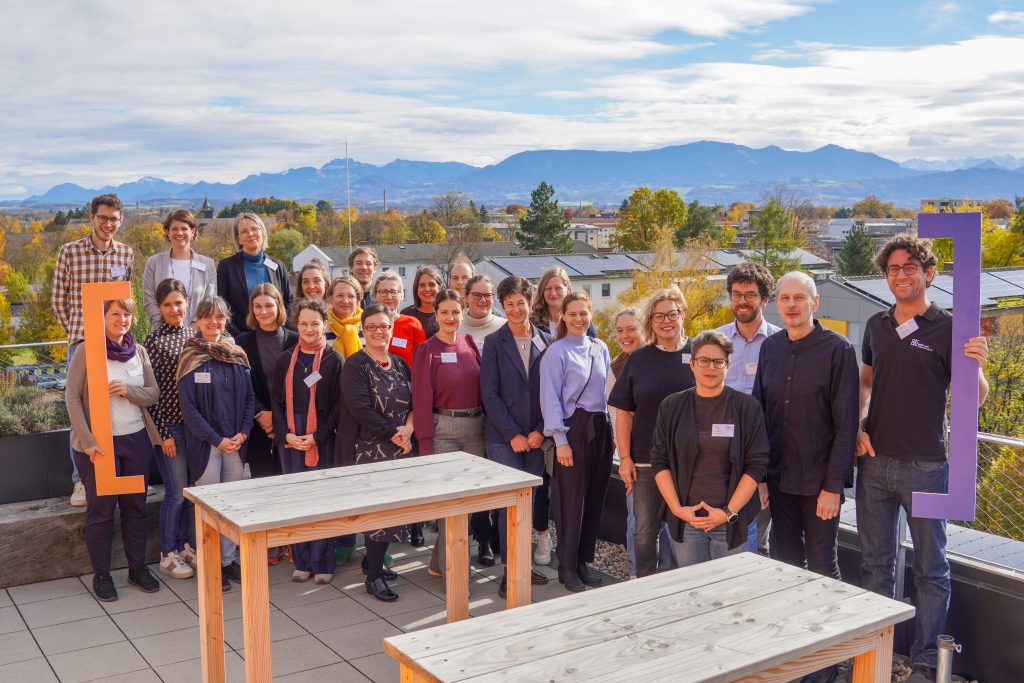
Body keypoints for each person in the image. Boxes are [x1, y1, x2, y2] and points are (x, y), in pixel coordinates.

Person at [856, 235, 989, 683]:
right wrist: (858, 425)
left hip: (927, 467)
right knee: (876, 564)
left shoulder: (950, 328)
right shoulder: (875, 324)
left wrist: (978, 365)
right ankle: (873, 655)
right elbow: (866, 382)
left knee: (930, 569)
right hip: (874, 465)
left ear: (929, 273)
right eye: (893, 269)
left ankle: (926, 664)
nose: (901, 275)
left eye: (910, 267)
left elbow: (977, 397)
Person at [65, 296, 161, 601]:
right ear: (103, 317)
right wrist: (89, 442)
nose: (122, 319)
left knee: (135, 507)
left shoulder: (139, 352)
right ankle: (102, 575)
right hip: (100, 446)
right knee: (101, 511)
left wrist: (128, 392)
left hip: (135, 441)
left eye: (127, 314)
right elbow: (72, 399)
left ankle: (137, 569)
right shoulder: (87, 351)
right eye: (115, 314)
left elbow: (153, 394)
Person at [651, 331, 769, 566]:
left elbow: (756, 465)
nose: (711, 367)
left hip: (732, 522)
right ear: (692, 364)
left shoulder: (747, 407)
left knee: (736, 594)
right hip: (687, 523)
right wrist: (677, 509)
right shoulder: (671, 406)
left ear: (727, 365)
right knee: (695, 593)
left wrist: (726, 512)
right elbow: (659, 460)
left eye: (718, 361)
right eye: (704, 360)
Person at [53, 194, 134, 507]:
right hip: (83, 346)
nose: (108, 223)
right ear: (92, 218)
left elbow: (124, 302)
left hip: (115, 346)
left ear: (120, 220)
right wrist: (79, 335)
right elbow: (59, 301)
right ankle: (81, 482)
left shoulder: (126, 254)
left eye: (114, 218)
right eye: (103, 217)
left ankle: (114, 474)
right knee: (79, 413)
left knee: (116, 409)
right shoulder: (70, 252)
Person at [609, 287, 696, 578]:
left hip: (686, 464)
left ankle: (671, 583)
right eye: (659, 316)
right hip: (644, 462)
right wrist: (625, 459)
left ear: (682, 314)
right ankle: (642, 581)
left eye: (672, 314)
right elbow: (625, 413)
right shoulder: (639, 359)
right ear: (650, 321)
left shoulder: (698, 354)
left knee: (678, 529)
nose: (666, 321)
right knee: (644, 530)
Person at [480, 276, 552, 597]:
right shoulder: (495, 343)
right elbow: (489, 394)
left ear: (529, 302)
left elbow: (553, 393)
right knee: (509, 503)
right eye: (508, 304)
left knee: (530, 501)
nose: (514, 309)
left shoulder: (546, 341)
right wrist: (512, 434)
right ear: (502, 306)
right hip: (503, 438)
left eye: (520, 303)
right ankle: (510, 572)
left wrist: (539, 430)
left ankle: (524, 563)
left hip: (536, 437)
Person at [178, 296, 255, 590]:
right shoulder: (190, 357)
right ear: (197, 322)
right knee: (210, 508)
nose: (214, 323)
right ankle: (211, 564)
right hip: (207, 444)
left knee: (231, 506)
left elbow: (249, 398)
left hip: (235, 443)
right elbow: (189, 410)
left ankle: (227, 560)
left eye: (219, 317)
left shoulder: (236, 354)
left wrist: (243, 432)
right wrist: (217, 439)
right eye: (207, 317)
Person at [539, 291, 613, 592]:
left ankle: (583, 561)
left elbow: (606, 390)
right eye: (573, 314)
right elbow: (550, 398)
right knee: (570, 501)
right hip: (573, 428)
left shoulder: (600, 347)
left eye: (584, 313)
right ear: (563, 317)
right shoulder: (556, 352)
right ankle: (567, 566)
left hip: (599, 425)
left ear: (590, 314)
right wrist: (561, 440)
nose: (579, 319)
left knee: (594, 499)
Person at [341, 304, 416, 601]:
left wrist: (409, 429)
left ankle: (371, 563)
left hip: (401, 445)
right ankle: (373, 577)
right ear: (363, 331)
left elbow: (414, 402)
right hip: (370, 449)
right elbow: (362, 410)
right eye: (371, 326)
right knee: (378, 514)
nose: (378, 332)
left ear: (391, 328)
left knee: (395, 512)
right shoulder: (355, 365)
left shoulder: (399, 363)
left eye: (383, 326)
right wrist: (396, 436)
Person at [412, 289, 488, 577]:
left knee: (467, 501)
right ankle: (455, 569)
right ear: (436, 315)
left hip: (475, 429)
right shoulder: (426, 350)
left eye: (455, 311)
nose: (450, 317)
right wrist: (425, 443)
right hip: (443, 430)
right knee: (451, 501)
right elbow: (420, 400)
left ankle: (437, 563)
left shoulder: (469, 342)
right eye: (444, 312)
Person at [271, 298, 343, 584]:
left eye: (315, 323)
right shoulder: (285, 359)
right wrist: (285, 434)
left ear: (325, 324)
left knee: (321, 501)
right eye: (304, 323)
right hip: (290, 434)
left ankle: (322, 562)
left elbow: (340, 406)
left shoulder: (333, 359)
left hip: (320, 436)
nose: (309, 329)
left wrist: (317, 436)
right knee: (297, 500)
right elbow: (275, 401)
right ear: (295, 325)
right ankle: (301, 560)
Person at [528, 267, 596, 563]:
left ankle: (572, 546)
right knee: (543, 480)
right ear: (542, 293)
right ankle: (543, 536)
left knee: (569, 486)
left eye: (560, 287)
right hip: (541, 413)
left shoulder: (585, 326)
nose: (554, 293)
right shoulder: (534, 325)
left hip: (574, 420)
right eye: (549, 288)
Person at [714, 262, 780, 556]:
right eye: (737, 293)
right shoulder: (717, 341)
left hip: (766, 446)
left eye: (750, 294)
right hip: (721, 446)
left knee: (760, 525)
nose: (742, 300)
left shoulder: (780, 342)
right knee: (723, 524)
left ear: (765, 299)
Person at [235, 284, 297, 565]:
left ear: (279, 307)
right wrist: (263, 414)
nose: (264, 312)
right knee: (264, 483)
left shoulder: (294, 338)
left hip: (290, 422)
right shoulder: (243, 342)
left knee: (289, 482)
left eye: (269, 306)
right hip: (259, 424)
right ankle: (270, 541)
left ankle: (291, 540)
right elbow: (242, 383)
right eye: (258, 307)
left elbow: (298, 385)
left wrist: (279, 416)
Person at [143, 279, 197, 580]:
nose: (174, 309)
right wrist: (163, 435)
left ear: (187, 301)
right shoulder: (153, 342)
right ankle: (168, 552)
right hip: (170, 429)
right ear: (159, 308)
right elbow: (153, 395)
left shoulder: (194, 335)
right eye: (167, 305)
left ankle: (186, 545)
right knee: (175, 493)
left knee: (190, 492)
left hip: (194, 429)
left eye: (178, 302)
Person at [216, 213, 292, 336]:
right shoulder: (226, 267)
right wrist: (239, 337)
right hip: (241, 339)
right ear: (239, 238)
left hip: (276, 337)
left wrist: (284, 334)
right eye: (244, 231)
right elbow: (222, 307)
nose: (250, 234)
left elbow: (288, 303)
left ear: (262, 232)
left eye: (254, 229)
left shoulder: (278, 266)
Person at [142, 208, 216, 328]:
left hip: (197, 337)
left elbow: (210, 301)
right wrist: (166, 328)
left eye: (184, 229)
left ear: (193, 232)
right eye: (174, 229)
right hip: (163, 336)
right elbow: (149, 300)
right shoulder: (153, 263)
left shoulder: (208, 265)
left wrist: (192, 329)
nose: (179, 233)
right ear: (167, 232)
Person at [372, 272, 427, 370]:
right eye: (383, 292)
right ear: (375, 296)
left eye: (393, 292)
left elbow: (423, 360)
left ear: (401, 295)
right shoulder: (368, 325)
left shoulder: (412, 324)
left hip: (407, 383)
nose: (389, 297)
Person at [458, 274, 505, 351]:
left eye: (487, 295)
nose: (483, 300)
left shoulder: (504, 327)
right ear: (466, 298)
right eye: (476, 295)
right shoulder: (456, 327)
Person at [325, 275, 364, 358]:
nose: (345, 301)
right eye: (340, 295)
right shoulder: (321, 327)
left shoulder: (369, 326)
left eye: (351, 296)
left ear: (357, 299)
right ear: (330, 299)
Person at [402, 266, 443, 338]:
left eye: (431, 284)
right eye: (422, 285)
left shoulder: (447, 313)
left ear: (439, 288)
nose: (427, 289)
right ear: (416, 289)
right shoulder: (406, 315)